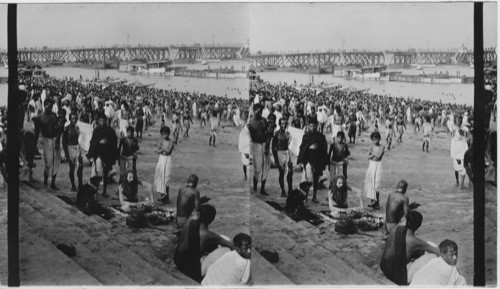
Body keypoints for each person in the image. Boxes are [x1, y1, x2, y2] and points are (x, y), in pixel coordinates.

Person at [174, 204, 234, 283]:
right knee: (226, 247)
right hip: (193, 271)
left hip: (178, 261)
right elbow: (231, 245)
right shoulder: (207, 234)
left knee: (214, 243)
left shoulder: (190, 220)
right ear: (212, 219)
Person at [380, 210, 441, 285]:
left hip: (385, 268)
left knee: (423, 248)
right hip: (399, 278)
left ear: (406, 220)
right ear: (418, 226)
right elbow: (438, 252)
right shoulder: (414, 241)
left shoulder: (399, 226)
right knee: (433, 253)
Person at [297, 117, 328, 203]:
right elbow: (302, 147)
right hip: (308, 160)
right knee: (308, 179)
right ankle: (306, 196)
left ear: (317, 125)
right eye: (310, 126)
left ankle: (314, 196)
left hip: (317, 160)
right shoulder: (306, 136)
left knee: (316, 179)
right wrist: (309, 147)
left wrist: (318, 148)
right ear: (308, 126)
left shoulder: (320, 136)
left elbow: (324, 148)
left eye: (314, 126)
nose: (312, 128)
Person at [87, 113, 118, 197]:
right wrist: (99, 142)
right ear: (98, 121)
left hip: (107, 155)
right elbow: (92, 142)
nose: (102, 122)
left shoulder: (111, 131)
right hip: (98, 155)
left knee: (105, 174)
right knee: (98, 174)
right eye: (101, 121)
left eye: (104, 121)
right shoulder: (96, 130)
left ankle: (104, 191)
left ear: (106, 121)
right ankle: (95, 191)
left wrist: (108, 145)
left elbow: (114, 143)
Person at [37, 99, 61, 189]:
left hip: (55, 139)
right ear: (45, 105)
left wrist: (58, 139)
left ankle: (53, 183)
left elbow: (58, 128)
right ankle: (45, 182)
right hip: (46, 140)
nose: (50, 107)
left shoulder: (54, 115)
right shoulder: (40, 117)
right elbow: (37, 132)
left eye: (51, 106)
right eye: (49, 105)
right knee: (48, 163)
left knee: (56, 162)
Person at [248, 103, 270, 195]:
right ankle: (255, 187)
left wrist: (267, 147)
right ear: (254, 110)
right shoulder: (251, 123)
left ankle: (262, 188)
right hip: (255, 145)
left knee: (265, 168)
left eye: (261, 110)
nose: (259, 112)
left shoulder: (264, 121)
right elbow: (248, 138)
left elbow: (268, 134)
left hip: (264, 144)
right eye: (257, 110)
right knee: (257, 168)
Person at [62, 112, 84, 191]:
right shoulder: (66, 129)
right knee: (72, 168)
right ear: (70, 119)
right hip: (70, 148)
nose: (73, 120)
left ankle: (80, 184)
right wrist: (67, 155)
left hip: (77, 147)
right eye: (72, 118)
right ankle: (73, 185)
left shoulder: (78, 128)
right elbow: (64, 142)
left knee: (80, 167)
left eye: (75, 118)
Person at [272, 117, 293, 197]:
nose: (283, 125)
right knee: (281, 173)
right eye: (282, 124)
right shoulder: (276, 134)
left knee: (290, 173)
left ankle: (290, 189)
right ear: (279, 124)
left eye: (285, 124)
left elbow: (291, 144)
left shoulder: (288, 133)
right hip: (279, 154)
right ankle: (283, 190)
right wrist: (276, 160)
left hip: (287, 153)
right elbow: (273, 147)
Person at [364, 131, 385, 209]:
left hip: (378, 165)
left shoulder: (382, 146)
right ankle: (372, 201)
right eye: (373, 140)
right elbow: (367, 157)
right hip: (371, 164)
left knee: (377, 184)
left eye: (375, 139)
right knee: (370, 182)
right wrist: (373, 154)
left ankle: (377, 202)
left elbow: (379, 157)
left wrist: (372, 153)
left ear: (379, 139)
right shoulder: (371, 146)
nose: (374, 141)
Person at [154, 126, 175, 204]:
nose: (164, 136)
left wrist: (162, 149)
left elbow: (169, 151)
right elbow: (156, 151)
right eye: (163, 134)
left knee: (166, 178)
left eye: (165, 134)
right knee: (160, 177)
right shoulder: (161, 140)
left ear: (169, 134)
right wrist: (162, 149)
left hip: (168, 159)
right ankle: (162, 195)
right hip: (161, 159)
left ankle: (166, 197)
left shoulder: (171, 141)